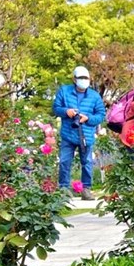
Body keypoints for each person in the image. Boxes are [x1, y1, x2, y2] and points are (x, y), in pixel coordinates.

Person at [53, 66, 106, 200]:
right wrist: (66, 112)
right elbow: (56, 108)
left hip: (86, 135)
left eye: (86, 78)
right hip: (68, 133)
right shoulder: (64, 91)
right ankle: (64, 189)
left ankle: (86, 189)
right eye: (81, 78)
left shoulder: (94, 96)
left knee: (87, 162)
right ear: (74, 79)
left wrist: (88, 119)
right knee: (64, 161)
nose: (84, 80)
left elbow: (101, 114)